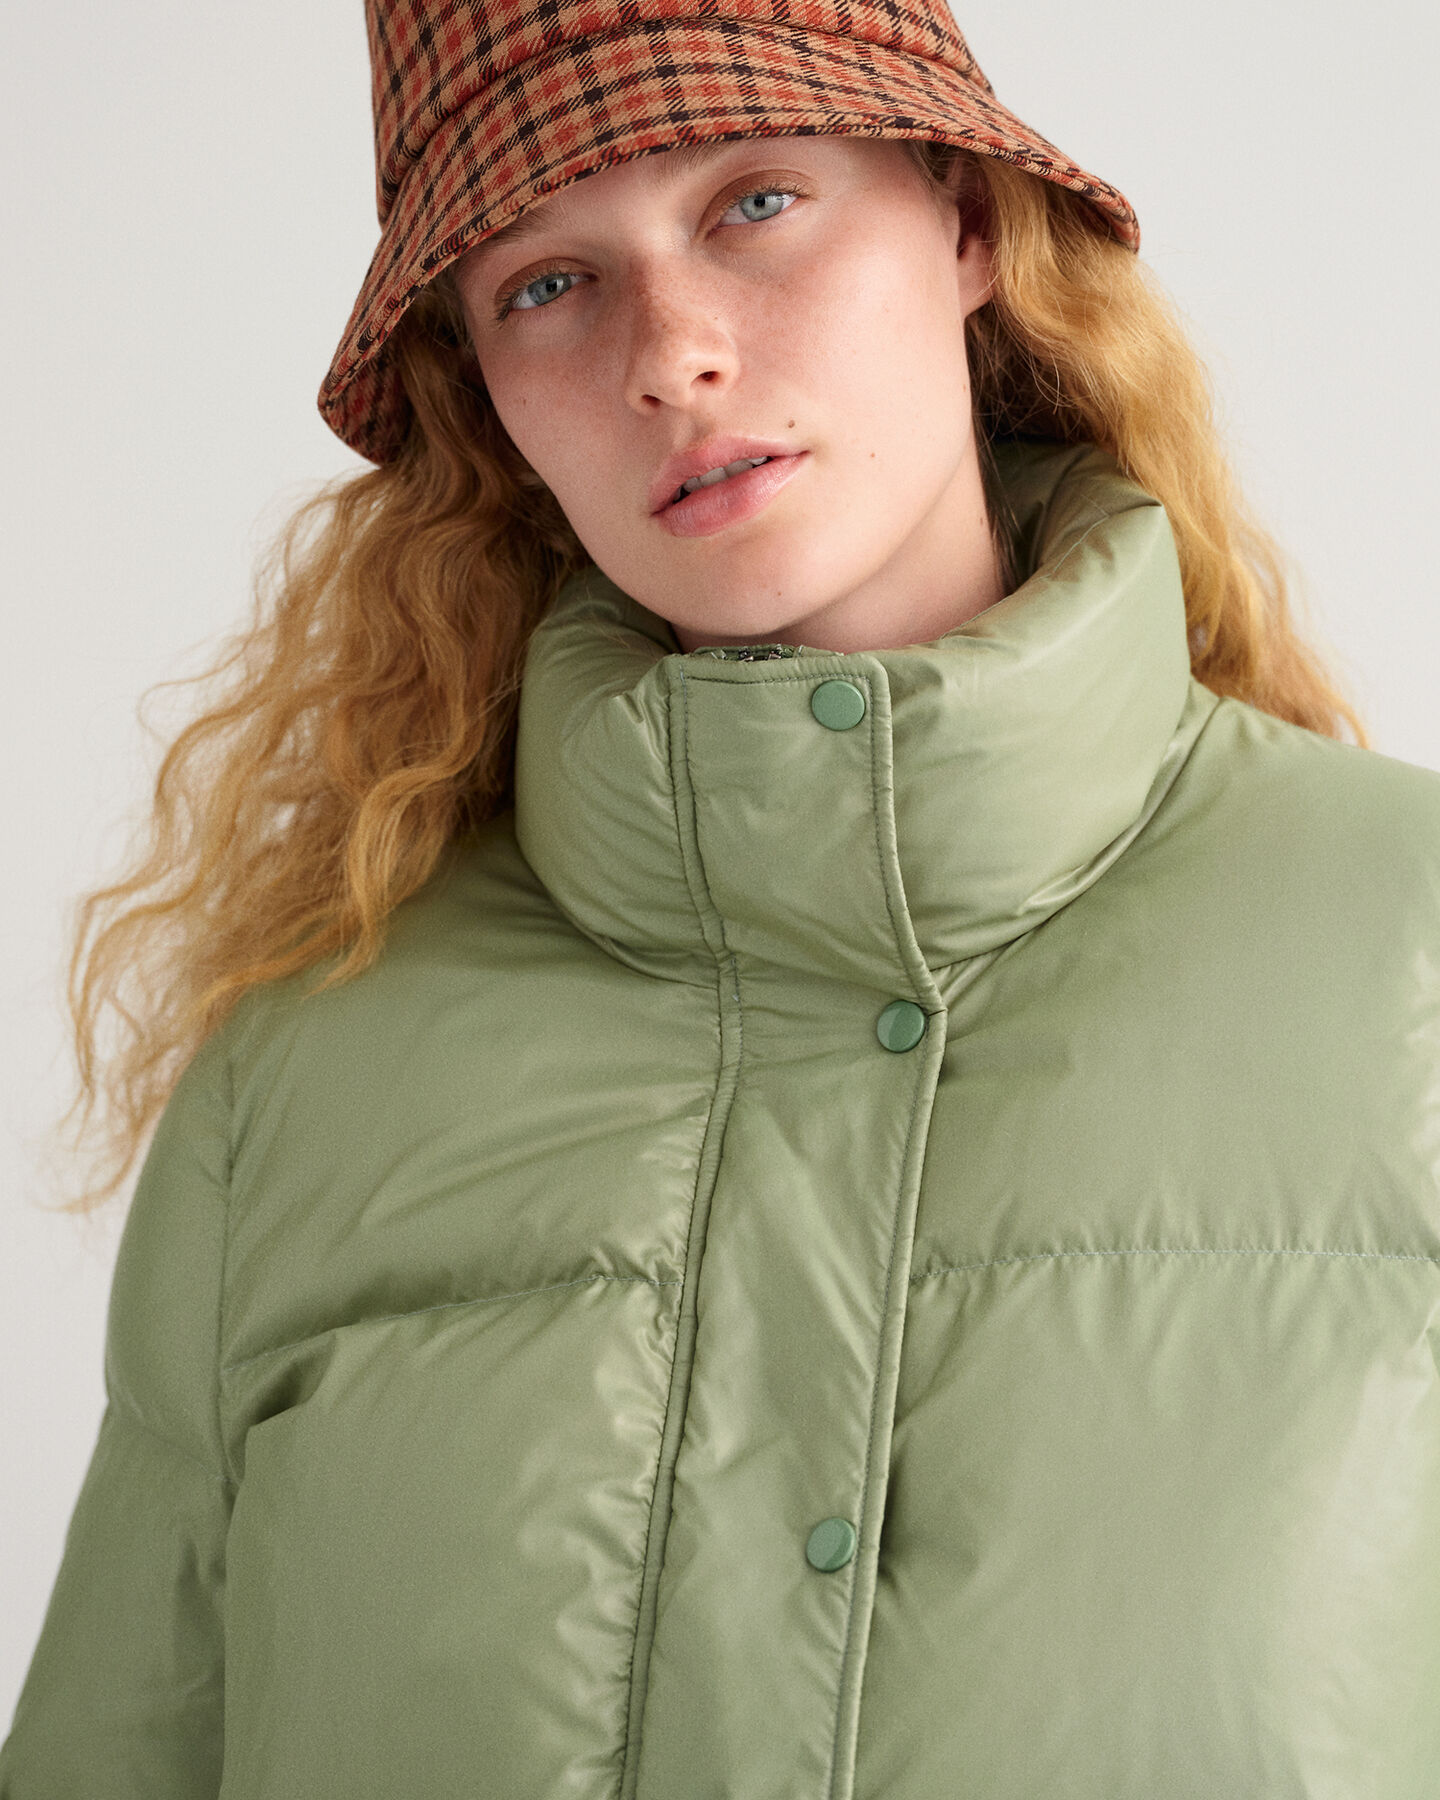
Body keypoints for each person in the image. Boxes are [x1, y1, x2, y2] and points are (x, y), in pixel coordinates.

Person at [4, 0, 1440, 1793]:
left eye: (756, 201)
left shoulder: (1407, 959)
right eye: (547, 283)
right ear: (483, 396)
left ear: (966, 220)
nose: (671, 356)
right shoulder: (300, 1078)